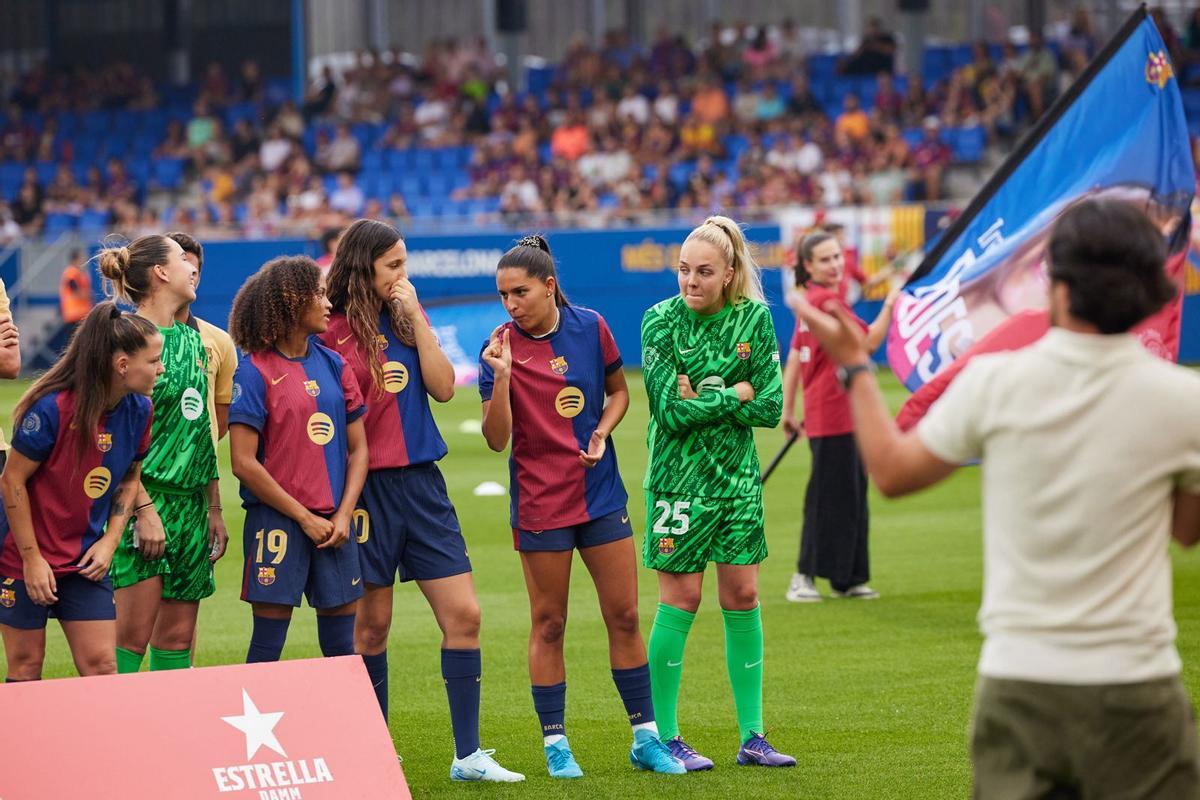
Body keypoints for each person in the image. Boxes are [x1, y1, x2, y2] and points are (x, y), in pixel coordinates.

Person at [796, 197, 1200, 797]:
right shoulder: (1181, 400)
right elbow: (1187, 529)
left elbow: (892, 471)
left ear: (1054, 283)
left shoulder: (996, 382)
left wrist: (855, 365)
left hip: (1021, 682)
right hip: (1137, 682)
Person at [320, 218, 523, 783]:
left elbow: (440, 385)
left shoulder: (410, 317)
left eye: (405, 264)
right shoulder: (327, 328)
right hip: (363, 492)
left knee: (465, 615)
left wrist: (415, 321)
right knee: (372, 629)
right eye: (395, 266)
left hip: (422, 485)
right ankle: (374, 750)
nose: (404, 275)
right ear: (365, 268)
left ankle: (468, 756)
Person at [479, 235, 684, 778]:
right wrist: (500, 380)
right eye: (502, 294)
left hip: (600, 495)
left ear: (549, 286)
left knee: (624, 615)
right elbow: (496, 438)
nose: (510, 304)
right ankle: (556, 744)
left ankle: (646, 738)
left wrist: (601, 431)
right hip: (541, 503)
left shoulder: (591, 326)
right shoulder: (498, 347)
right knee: (549, 623)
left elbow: (620, 393)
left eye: (519, 292)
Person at [640, 215, 794, 769]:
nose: (690, 282)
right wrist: (737, 392)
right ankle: (662, 737)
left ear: (730, 274)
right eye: (683, 270)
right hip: (678, 484)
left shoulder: (754, 319)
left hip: (738, 484)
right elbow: (670, 413)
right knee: (680, 600)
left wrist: (714, 394)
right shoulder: (659, 322)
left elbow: (772, 408)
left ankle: (753, 737)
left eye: (704, 272)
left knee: (744, 597)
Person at [0, 302, 160, 680]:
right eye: (153, 360)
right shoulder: (53, 408)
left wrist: (109, 542)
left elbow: (129, 478)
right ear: (122, 366)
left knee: (102, 668)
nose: (161, 368)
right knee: (25, 667)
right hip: (23, 561)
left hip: (84, 563)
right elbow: (11, 481)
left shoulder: (140, 409)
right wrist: (32, 560)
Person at [227, 255, 368, 668]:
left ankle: (348, 734)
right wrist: (304, 518)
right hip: (278, 522)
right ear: (291, 300)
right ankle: (254, 734)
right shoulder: (253, 371)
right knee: (268, 647)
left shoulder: (334, 363)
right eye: (320, 294)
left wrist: (344, 515)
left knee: (343, 650)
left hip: (336, 526)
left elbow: (360, 450)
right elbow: (243, 462)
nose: (328, 304)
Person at [99, 235, 225, 674]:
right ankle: (114, 739)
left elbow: (201, 433)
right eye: (182, 262)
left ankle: (170, 741)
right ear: (161, 273)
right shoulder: (124, 340)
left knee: (177, 639)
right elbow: (107, 442)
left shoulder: (194, 343)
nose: (193, 270)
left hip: (191, 509)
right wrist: (142, 511)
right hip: (144, 506)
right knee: (131, 639)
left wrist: (213, 506)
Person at [782, 231, 899, 603]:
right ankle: (804, 575)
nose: (835, 264)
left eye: (837, 257)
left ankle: (847, 579)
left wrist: (789, 410)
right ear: (809, 266)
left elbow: (794, 359)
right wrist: (892, 302)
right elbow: (867, 344)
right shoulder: (823, 301)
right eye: (826, 259)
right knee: (828, 497)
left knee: (849, 496)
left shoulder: (812, 302)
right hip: (835, 414)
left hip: (838, 413)